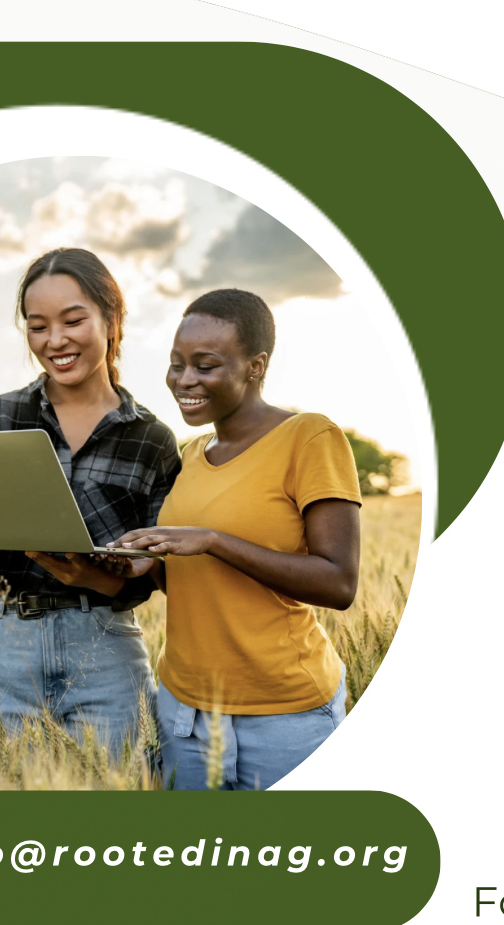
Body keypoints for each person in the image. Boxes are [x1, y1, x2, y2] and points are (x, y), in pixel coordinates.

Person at [0, 247, 180, 751]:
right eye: (37, 327)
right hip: (1, 643)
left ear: (112, 317)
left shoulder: (152, 439)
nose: (55, 341)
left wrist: (111, 570)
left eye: (73, 320)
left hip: (105, 645)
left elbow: (164, 569)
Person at [112, 288, 362, 791]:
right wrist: (149, 565)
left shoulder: (308, 437)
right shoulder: (190, 455)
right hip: (185, 714)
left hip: (283, 719)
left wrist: (214, 540)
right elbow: (199, 580)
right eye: (176, 364)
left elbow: (339, 584)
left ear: (255, 365)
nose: (185, 380)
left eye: (205, 365)